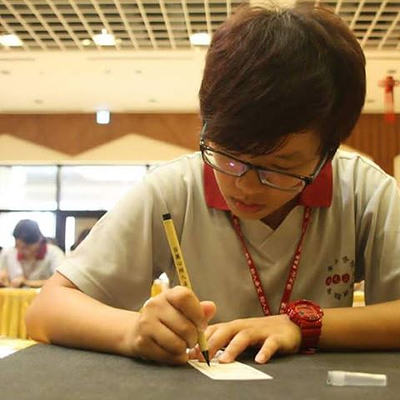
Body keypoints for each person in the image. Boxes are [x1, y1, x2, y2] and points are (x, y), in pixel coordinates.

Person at [26, 3, 400, 366]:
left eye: (279, 167)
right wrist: (133, 331)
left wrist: (303, 326)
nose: (246, 187)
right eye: (230, 157)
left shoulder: (364, 192)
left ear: (327, 152)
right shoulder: (175, 189)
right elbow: (46, 309)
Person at [0, 219, 65, 288]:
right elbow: (3, 275)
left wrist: (26, 282)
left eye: (26, 247)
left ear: (39, 240)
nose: (21, 251)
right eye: (18, 246)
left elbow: (62, 280)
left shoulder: (54, 253)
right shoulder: (7, 253)